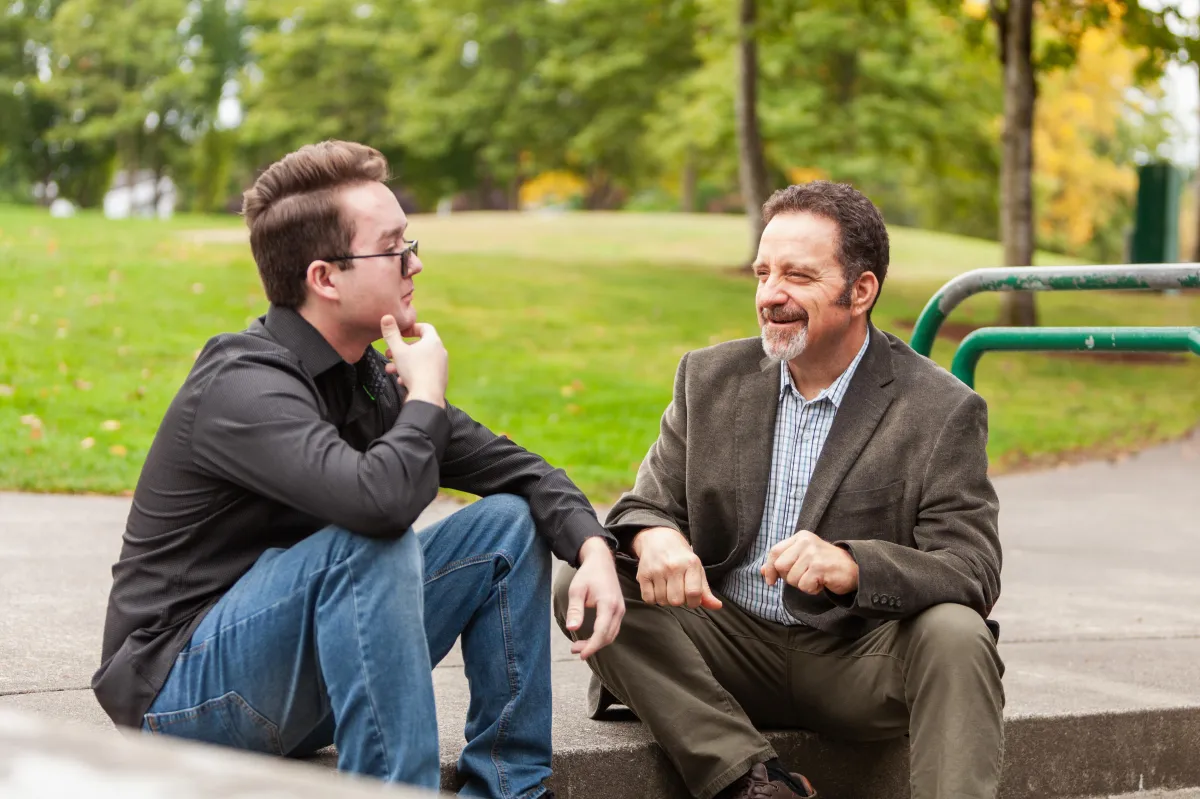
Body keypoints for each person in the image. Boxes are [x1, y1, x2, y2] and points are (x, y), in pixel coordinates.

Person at [94, 140, 625, 799]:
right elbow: (379, 507)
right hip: (180, 693)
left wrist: (593, 545)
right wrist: (425, 397)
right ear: (325, 277)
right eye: (396, 247)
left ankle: (512, 789)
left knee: (506, 526)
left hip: (293, 682)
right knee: (366, 538)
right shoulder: (243, 385)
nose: (416, 263)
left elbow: (515, 469)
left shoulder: (366, 374)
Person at [554, 181, 1004, 799]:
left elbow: (971, 568)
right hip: (723, 649)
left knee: (957, 633)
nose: (770, 295)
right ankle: (752, 780)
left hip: (857, 661)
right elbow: (644, 504)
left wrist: (853, 565)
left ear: (861, 290)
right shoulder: (708, 378)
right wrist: (653, 535)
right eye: (764, 274)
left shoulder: (940, 408)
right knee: (585, 578)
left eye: (797, 275)